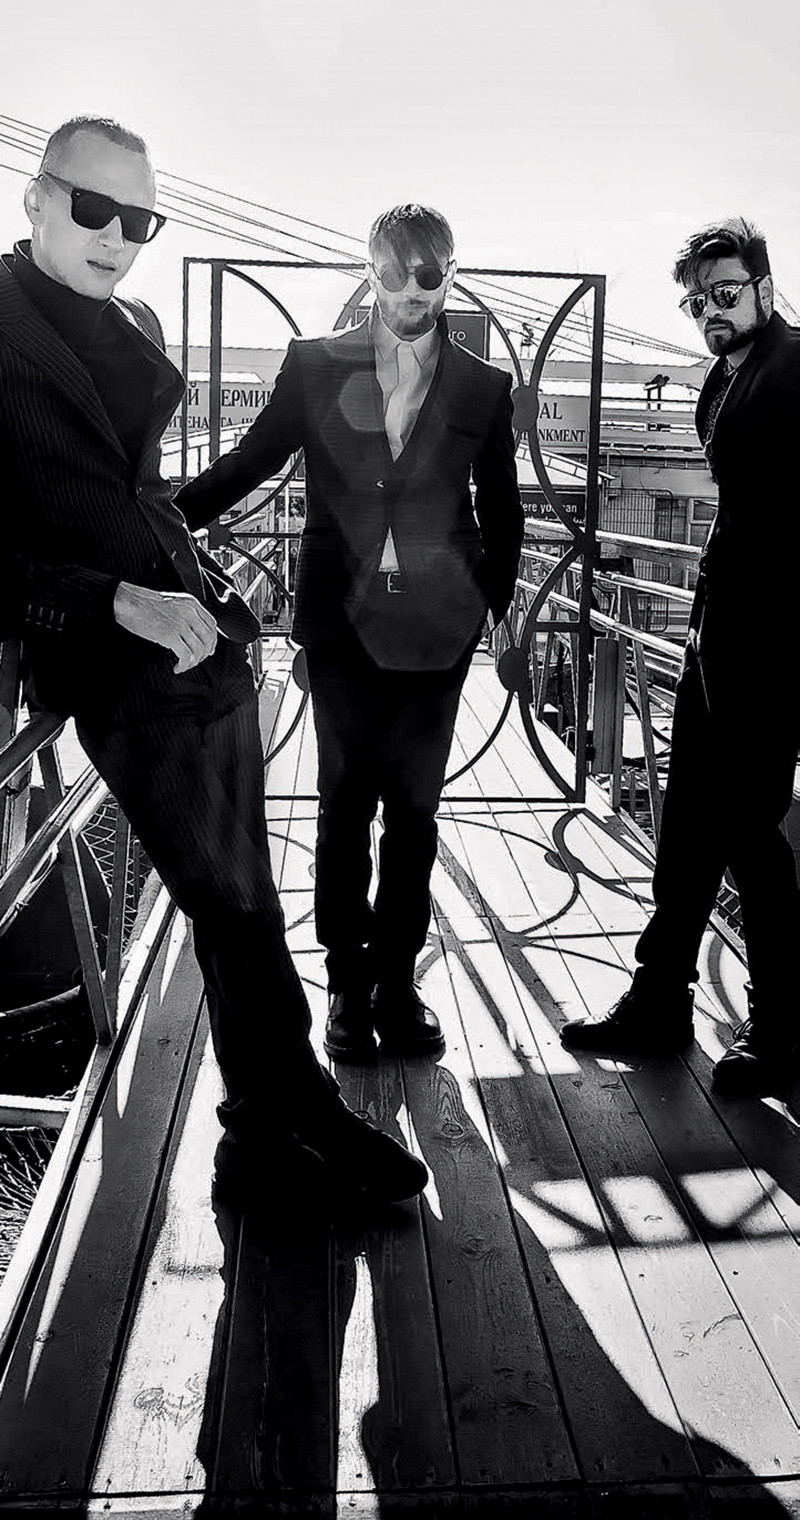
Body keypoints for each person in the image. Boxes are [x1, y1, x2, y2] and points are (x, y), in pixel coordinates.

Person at [0, 115, 428, 1206]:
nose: (115, 236)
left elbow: (140, 488)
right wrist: (111, 599)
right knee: (232, 901)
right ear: (36, 199)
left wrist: (193, 576)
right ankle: (302, 1118)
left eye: (138, 219)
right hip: (113, 664)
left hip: (205, 641)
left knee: (245, 898)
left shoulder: (125, 319)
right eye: (92, 207)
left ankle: (253, 1138)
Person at [176, 204, 523, 1063]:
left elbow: (502, 509)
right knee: (342, 809)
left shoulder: (483, 386)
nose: (413, 291)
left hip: (438, 635)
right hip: (340, 630)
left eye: (431, 274)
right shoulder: (313, 364)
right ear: (370, 270)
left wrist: (487, 608)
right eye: (396, 272)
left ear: (451, 273)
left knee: (415, 814)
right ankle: (346, 984)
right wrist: (158, 519)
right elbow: (250, 463)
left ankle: (398, 983)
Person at [561, 217, 800, 1097]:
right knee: (691, 825)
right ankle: (659, 1000)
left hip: (773, 646)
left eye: (725, 293)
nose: (710, 312)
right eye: (697, 302)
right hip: (715, 636)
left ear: (765, 287)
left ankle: (782, 1027)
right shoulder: (722, 379)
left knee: (752, 834)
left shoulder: (794, 369)